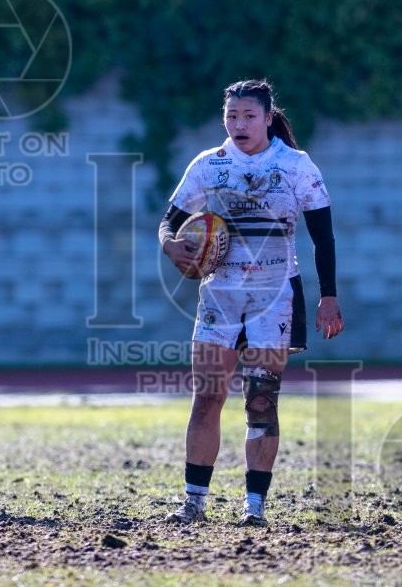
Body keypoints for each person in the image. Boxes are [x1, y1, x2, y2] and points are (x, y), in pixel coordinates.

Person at [158, 79, 344, 526]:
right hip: (220, 297)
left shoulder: (295, 165)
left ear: (267, 117)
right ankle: (193, 503)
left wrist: (329, 297)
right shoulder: (209, 165)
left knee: (261, 400)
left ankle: (254, 507)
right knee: (207, 397)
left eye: (248, 116)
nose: (239, 124)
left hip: (275, 297)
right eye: (231, 116)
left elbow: (323, 237)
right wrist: (171, 246)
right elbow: (170, 222)